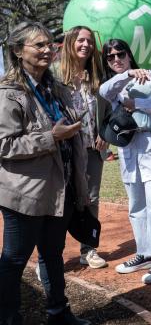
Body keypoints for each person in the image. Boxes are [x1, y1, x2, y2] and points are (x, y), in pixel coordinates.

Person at [0, 21, 93, 325]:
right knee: (13, 261)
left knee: (53, 255)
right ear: (17, 51)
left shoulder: (55, 87)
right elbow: (4, 145)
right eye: (37, 45)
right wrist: (51, 137)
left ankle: (58, 311)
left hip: (60, 187)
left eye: (48, 44)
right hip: (25, 194)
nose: (46, 49)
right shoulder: (9, 93)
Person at [100, 39, 151, 284]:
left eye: (120, 54)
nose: (116, 60)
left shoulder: (150, 77)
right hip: (129, 151)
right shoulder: (113, 84)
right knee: (136, 207)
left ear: (129, 54)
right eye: (110, 57)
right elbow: (104, 92)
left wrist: (139, 103)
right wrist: (128, 74)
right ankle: (144, 251)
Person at [59, 26, 111, 269]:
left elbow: (108, 110)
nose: (86, 45)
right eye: (81, 40)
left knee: (91, 198)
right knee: (61, 200)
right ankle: (52, 254)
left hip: (93, 149)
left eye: (89, 41)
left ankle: (88, 249)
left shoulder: (97, 76)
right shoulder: (57, 78)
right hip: (65, 151)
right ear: (70, 43)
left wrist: (106, 134)